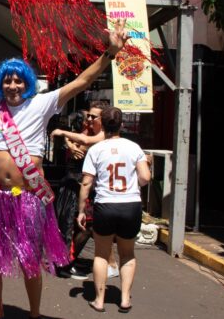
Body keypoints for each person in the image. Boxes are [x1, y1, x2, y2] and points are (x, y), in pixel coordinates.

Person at [0, 19, 128, 319]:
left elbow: (81, 83)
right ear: (0, 81)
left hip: (27, 198)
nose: (13, 85)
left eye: (19, 80)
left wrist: (110, 53)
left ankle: (35, 314)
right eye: (7, 80)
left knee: (30, 260)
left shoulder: (42, 104)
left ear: (27, 82)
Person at [77, 106, 151, 313]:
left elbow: (86, 183)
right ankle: (125, 298)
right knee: (127, 253)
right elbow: (145, 178)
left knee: (101, 253)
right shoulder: (134, 147)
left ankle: (99, 300)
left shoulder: (96, 149)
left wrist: (82, 210)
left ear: (103, 124)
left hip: (105, 204)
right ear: (121, 124)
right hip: (130, 205)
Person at [51, 101, 120, 280]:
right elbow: (78, 139)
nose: (88, 119)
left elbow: (86, 141)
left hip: (86, 188)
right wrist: (69, 144)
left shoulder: (104, 135)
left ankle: (68, 261)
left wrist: (63, 133)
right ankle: (65, 261)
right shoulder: (87, 129)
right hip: (72, 184)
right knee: (68, 225)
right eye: (88, 115)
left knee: (85, 226)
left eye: (93, 116)